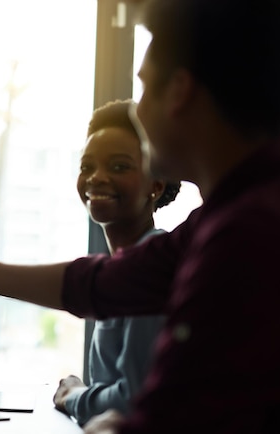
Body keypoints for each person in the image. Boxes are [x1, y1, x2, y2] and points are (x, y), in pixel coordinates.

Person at [0, 0, 280, 431]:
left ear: (178, 92)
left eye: (143, 90)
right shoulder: (225, 218)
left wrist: (96, 414)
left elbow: (162, 410)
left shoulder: (250, 233)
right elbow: (103, 282)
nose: (139, 115)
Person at [52, 99, 180, 426]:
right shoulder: (122, 264)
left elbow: (133, 398)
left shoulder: (153, 266)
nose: (97, 178)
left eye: (119, 166)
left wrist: (74, 395)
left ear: (156, 184)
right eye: (87, 166)